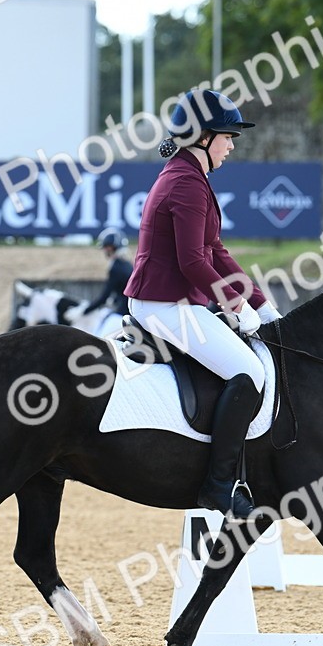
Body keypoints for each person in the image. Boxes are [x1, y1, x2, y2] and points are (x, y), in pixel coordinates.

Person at [124, 89, 281, 521]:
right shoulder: (185, 183)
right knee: (248, 372)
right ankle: (217, 487)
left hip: (176, 300)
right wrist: (235, 306)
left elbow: (217, 252)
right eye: (227, 136)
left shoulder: (191, 178)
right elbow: (193, 262)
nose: (232, 145)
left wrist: (261, 304)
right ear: (202, 137)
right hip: (163, 304)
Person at [72, 232, 133, 330]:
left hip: (123, 312)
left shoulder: (116, 267)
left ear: (112, 248)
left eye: (107, 247)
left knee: (100, 335)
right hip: (129, 309)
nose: (105, 250)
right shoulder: (126, 263)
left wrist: (84, 311)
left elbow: (104, 297)